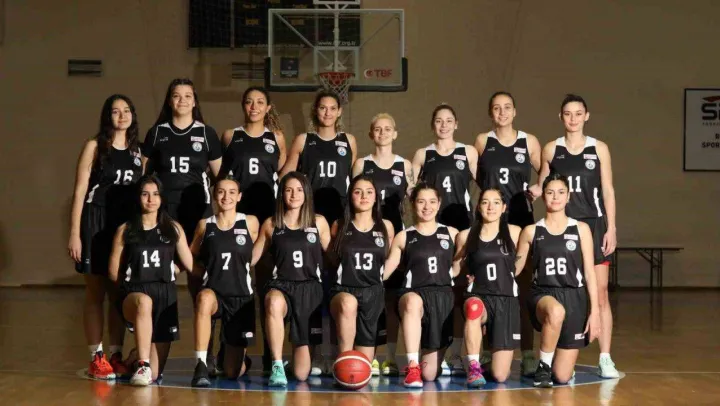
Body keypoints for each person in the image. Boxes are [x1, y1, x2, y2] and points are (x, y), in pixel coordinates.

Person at [528, 94, 618, 378]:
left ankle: (605, 357)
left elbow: (607, 190)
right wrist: (525, 192)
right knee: (561, 289)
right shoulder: (551, 149)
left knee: (600, 292)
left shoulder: (599, 148)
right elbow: (543, 183)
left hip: (593, 224)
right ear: (561, 117)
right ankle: (554, 352)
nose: (573, 118)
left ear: (586, 116)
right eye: (568, 113)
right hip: (561, 227)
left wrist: (612, 227)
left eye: (578, 113)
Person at [141, 78, 223, 368]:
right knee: (162, 280)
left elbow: (221, 179)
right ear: (169, 100)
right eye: (177, 96)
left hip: (197, 215)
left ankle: (207, 353)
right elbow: (143, 176)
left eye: (188, 95)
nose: (183, 100)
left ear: (195, 101)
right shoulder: (157, 133)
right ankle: (148, 352)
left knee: (199, 281)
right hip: (165, 216)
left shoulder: (206, 133)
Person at [280, 90, 357, 374]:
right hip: (308, 220)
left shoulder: (349, 141)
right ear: (316, 111)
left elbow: (353, 181)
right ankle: (311, 351)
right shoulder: (304, 140)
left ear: (339, 111)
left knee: (337, 283)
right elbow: (286, 176)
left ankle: (336, 352)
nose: (327, 112)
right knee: (313, 285)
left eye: (332, 108)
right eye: (322, 108)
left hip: (339, 221)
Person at [68, 94, 142, 379]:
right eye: (115, 111)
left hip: (123, 226)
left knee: (118, 291)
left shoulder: (138, 151)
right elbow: (79, 191)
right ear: (107, 116)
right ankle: (96, 357)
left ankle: (116, 354)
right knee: (95, 291)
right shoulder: (94, 146)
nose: (121, 115)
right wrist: (75, 233)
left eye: (126, 110)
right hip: (96, 222)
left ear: (133, 115)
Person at [218, 86, 287, 374]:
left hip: (268, 218)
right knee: (238, 284)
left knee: (267, 285)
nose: (254, 107)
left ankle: (272, 354)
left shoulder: (277, 138)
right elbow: (221, 176)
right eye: (249, 102)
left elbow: (281, 175)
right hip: (239, 219)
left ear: (268, 107)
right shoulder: (230, 136)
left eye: (260, 102)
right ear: (243, 105)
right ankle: (232, 348)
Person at [474, 91, 542, 376]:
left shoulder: (529, 141)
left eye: (507, 107)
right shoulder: (482, 141)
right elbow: (476, 176)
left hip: (521, 220)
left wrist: (540, 186)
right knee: (487, 288)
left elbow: (549, 171)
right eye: (496, 108)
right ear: (491, 113)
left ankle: (528, 353)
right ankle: (486, 352)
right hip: (490, 221)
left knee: (521, 288)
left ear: (515, 111)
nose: (502, 112)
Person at [516, 172, 601, 388]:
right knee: (555, 311)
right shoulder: (531, 231)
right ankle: (543, 367)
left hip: (574, 297)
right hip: (543, 294)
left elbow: (590, 272)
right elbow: (515, 269)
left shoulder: (581, 229)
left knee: (562, 376)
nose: (556, 197)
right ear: (543, 196)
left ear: (569, 196)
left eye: (561, 192)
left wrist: (595, 312)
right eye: (550, 192)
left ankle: (553, 363)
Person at [411, 104, 478, 375]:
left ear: (456, 124)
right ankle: (432, 345)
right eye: (439, 121)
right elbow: (410, 189)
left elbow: (487, 185)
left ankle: (456, 351)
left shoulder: (468, 152)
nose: (444, 125)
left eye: (449, 120)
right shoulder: (423, 154)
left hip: (461, 226)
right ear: (432, 124)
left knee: (461, 288)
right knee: (436, 287)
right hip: (432, 230)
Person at [108, 175, 193, 386]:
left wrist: (177, 268)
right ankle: (142, 363)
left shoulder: (173, 228)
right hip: (135, 295)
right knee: (144, 302)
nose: (150, 199)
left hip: (165, 296)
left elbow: (190, 263)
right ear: (137, 198)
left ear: (162, 198)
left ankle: (136, 356)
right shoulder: (126, 229)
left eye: (155, 194)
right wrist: (128, 288)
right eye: (145, 194)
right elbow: (113, 271)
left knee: (154, 374)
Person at [251, 172, 331, 386]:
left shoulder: (319, 222)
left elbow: (333, 256)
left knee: (302, 373)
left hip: (310, 290)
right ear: (281, 194)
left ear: (306, 193)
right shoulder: (271, 224)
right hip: (282, 286)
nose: (294, 194)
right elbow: (252, 258)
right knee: (273, 301)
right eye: (288, 190)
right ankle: (277, 364)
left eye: (298, 190)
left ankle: (291, 364)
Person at [351, 113, 412, 376]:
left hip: (394, 236)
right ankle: (369, 355)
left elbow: (415, 199)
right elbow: (351, 198)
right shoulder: (361, 164)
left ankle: (390, 357)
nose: (383, 133)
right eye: (378, 129)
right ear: (371, 134)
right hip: (366, 236)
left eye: (388, 129)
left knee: (390, 297)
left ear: (395, 133)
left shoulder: (404, 165)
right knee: (368, 296)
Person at [382, 183, 460, 388]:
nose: (427, 207)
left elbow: (462, 264)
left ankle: (428, 365)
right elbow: (387, 270)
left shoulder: (452, 234)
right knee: (412, 302)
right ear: (412, 204)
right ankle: (412, 366)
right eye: (421, 201)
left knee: (430, 374)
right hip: (413, 293)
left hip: (442, 297)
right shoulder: (404, 236)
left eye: (432, 201)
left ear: (439, 204)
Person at [188, 177, 260, 387]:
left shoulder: (250, 222)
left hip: (241, 297)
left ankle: (232, 355)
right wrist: (202, 272)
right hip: (214, 294)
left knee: (232, 372)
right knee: (203, 298)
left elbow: (260, 252)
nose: (226, 196)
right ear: (214, 195)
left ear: (239, 196)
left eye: (231, 192)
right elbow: (189, 256)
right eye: (221, 191)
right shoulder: (205, 225)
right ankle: (201, 364)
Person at [454, 188, 522, 387]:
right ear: (478, 207)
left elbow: (522, 265)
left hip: (506, 300)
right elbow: (455, 269)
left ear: (504, 207)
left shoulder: (516, 232)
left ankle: (485, 364)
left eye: (496, 202)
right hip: (479, 296)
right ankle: (474, 367)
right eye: (485, 202)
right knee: (473, 307)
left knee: (500, 375)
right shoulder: (465, 236)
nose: (490, 207)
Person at [328, 175, 395, 363]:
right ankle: (341, 360)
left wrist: (379, 278)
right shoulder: (339, 225)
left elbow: (390, 259)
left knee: (363, 364)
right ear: (350, 196)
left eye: (369, 192)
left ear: (376, 197)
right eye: (358, 192)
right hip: (344, 290)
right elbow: (332, 259)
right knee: (348, 303)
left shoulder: (386, 226)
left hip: (373, 294)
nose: (364, 196)